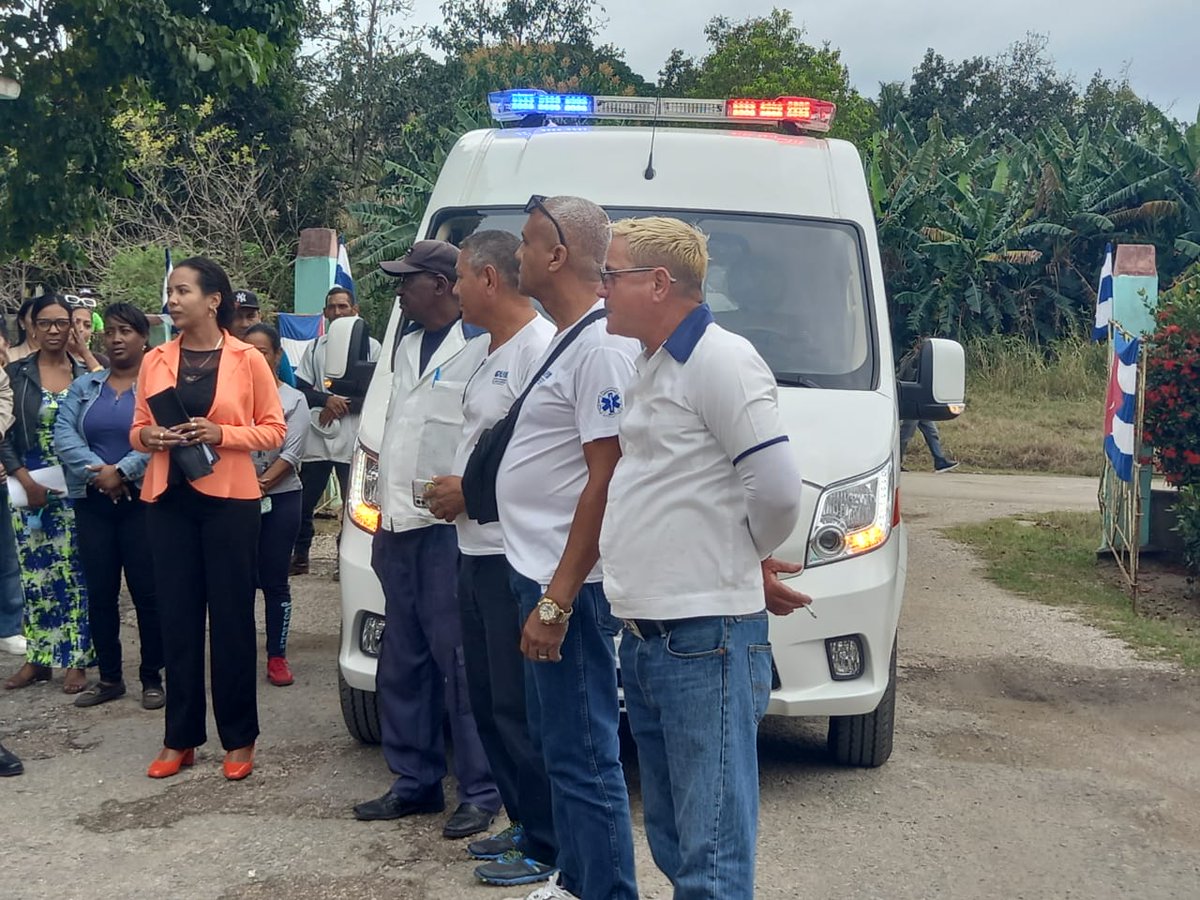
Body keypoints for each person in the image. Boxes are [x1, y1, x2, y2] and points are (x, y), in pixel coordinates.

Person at [599, 217, 808, 899]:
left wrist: (742, 558)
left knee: (710, 858)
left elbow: (777, 491)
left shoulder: (721, 360)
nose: (601, 288)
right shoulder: (653, 364)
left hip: (704, 639)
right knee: (676, 841)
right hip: (653, 638)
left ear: (659, 283)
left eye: (612, 274)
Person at [494, 195, 639, 900]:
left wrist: (557, 601)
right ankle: (577, 879)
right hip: (540, 570)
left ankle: (605, 890)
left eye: (525, 243)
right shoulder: (570, 336)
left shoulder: (603, 346)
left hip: (568, 583)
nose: (516, 255)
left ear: (556, 255)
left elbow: (604, 480)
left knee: (584, 752)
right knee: (562, 746)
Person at [351, 240, 500, 841]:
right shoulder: (407, 345)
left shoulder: (484, 344)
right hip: (397, 527)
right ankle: (414, 780)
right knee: (402, 660)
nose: (398, 293)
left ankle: (481, 791)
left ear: (441, 285)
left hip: (448, 532)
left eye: (406, 281)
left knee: (460, 664)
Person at [424, 231, 558, 888]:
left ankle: (549, 842)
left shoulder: (540, 350)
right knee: (487, 701)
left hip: (514, 555)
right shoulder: (487, 350)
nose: (453, 290)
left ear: (488, 279)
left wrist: (470, 495)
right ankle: (525, 822)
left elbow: (543, 461)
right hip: (472, 549)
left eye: (458, 277)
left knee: (519, 708)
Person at [131, 257, 286, 781]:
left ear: (213, 299)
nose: (172, 300)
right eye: (170, 292)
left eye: (183, 291)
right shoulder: (155, 358)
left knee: (232, 619)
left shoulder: (248, 359)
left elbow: (274, 430)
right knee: (176, 619)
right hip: (168, 501)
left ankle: (239, 738)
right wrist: (149, 437)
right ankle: (180, 738)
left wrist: (223, 433)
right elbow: (137, 428)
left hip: (229, 503)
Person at [53, 303, 163, 709]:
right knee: (100, 593)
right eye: (111, 331)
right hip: (92, 500)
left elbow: (161, 436)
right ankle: (110, 679)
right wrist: (100, 473)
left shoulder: (156, 388)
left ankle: (152, 677)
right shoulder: (85, 386)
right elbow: (63, 434)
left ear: (143, 338)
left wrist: (123, 471)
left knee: (147, 592)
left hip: (141, 502)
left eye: (126, 331)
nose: (116, 339)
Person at [1, 295, 95, 693]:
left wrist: (86, 353)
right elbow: (4, 434)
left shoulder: (86, 374)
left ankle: (76, 659)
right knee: (35, 574)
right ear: (31, 327)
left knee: (76, 574)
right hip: (29, 484)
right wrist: (25, 480)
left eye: (62, 323)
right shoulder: (16, 374)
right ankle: (39, 659)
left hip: (77, 486)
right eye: (45, 323)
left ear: (72, 327)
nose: (54, 330)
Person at [290, 286, 381, 576]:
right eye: (333, 307)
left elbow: (379, 393)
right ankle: (300, 556)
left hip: (352, 437)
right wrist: (326, 400)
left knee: (354, 504)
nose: (338, 312)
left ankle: (345, 561)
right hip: (320, 435)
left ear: (355, 310)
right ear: (325, 313)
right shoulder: (316, 347)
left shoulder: (372, 347)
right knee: (305, 501)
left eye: (343, 306)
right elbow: (302, 389)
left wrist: (341, 405)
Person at [243, 323, 308, 687]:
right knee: (236, 580)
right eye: (248, 352)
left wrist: (261, 485)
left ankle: (277, 656)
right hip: (235, 500)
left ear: (277, 356)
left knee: (275, 580)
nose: (255, 358)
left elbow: (292, 455)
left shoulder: (293, 400)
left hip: (280, 499)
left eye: (263, 352)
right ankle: (237, 653)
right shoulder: (230, 396)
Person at [897, 342, 958, 472]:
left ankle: (939, 460)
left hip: (920, 401)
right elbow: (910, 376)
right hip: (912, 401)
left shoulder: (914, 358)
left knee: (931, 432)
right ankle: (896, 461)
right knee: (906, 434)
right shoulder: (915, 360)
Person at [231, 289, 296, 387]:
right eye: (237, 317)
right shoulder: (219, 350)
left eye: (250, 316)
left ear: (259, 316)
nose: (244, 324)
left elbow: (289, 389)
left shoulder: (273, 349)